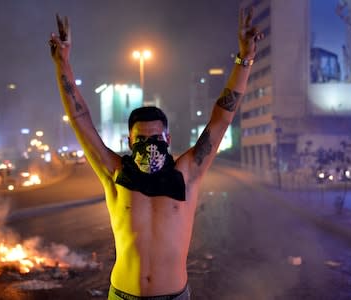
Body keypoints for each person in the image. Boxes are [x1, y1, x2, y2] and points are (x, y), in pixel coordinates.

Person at [49, 7, 263, 299]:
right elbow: (81, 119)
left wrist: (245, 59)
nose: (150, 145)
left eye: (156, 137)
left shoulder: (186, 173)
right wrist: (63, 63)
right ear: (129, 141)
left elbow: (222, 117)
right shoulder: (115, 173)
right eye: (142, 139)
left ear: (168, 138)